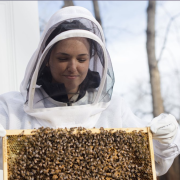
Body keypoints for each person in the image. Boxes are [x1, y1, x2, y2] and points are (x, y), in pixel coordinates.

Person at [0, 6, 179, 176]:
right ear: (46, 59)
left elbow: (154, 161)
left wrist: (164, 140)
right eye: (63, 58)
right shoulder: (12, 108)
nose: (72, 67)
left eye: (81, 59)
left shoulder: (113, 108)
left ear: (91, 59)